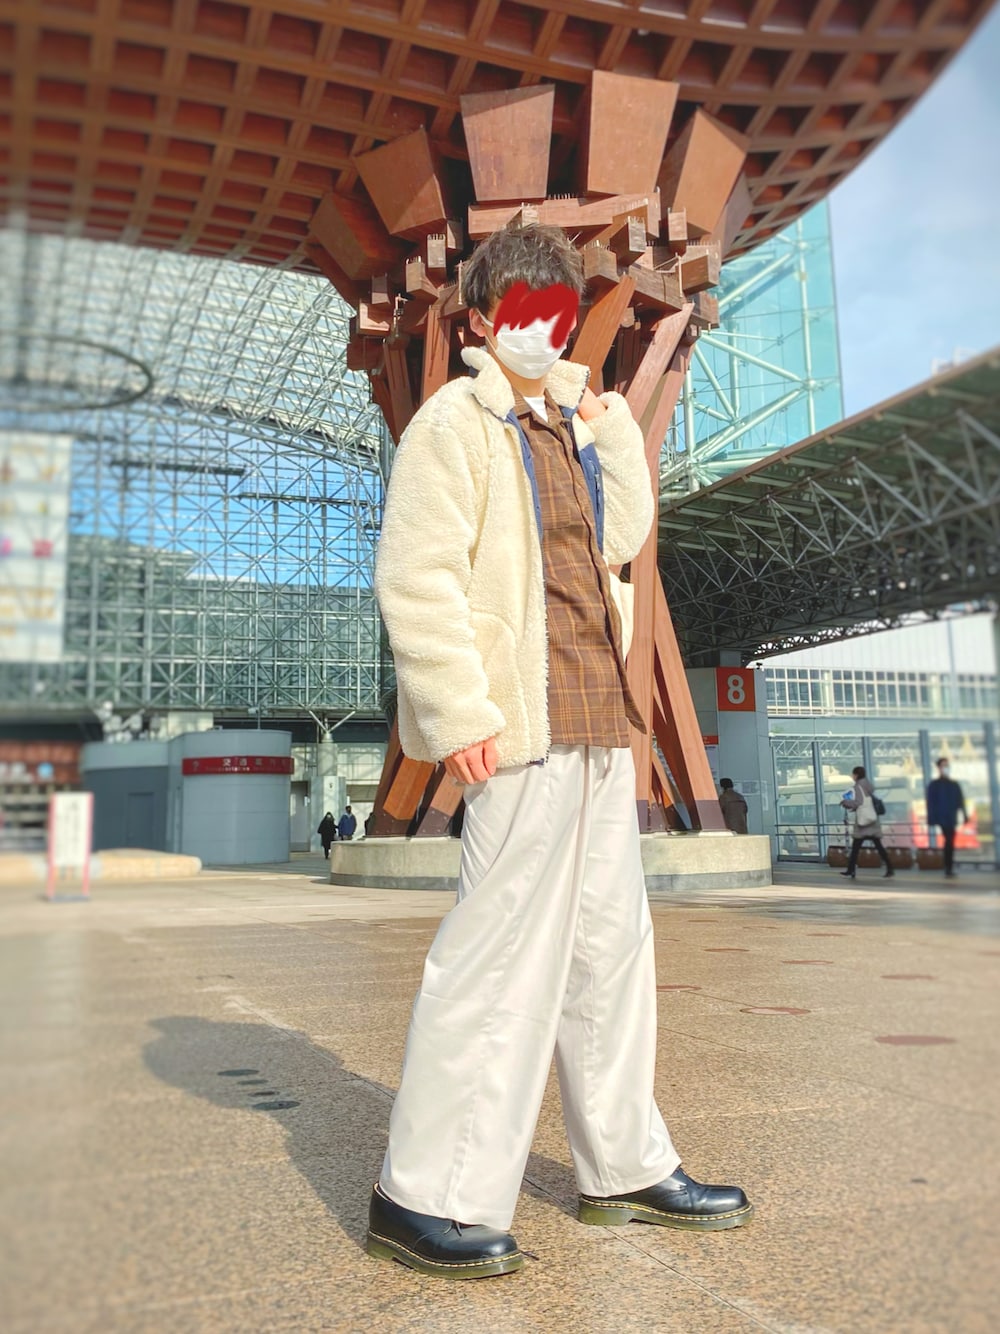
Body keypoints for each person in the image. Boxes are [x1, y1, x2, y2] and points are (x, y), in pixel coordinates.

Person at [370, 222, 752, 1281]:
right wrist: (459, 713)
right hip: (518, 729)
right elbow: (416, 574)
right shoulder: (452, 425)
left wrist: (614, 428)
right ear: (482, 321)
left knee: (607, 954)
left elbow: (619, 540)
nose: (541, 329)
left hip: (596, 724)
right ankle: (425, 1192)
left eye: (557, 310)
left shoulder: (570, 427)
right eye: (523, 311)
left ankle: (624, 1167)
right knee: (497, 960)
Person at [839, 765, 893, 880]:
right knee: (879, 846)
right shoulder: (868, 785)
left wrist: (846, 802)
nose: (852, 776)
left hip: (863, 824)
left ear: (856, 775)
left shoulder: (858, 786)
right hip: (872, 821)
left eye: (853, 774)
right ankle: (890, 868)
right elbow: (865, 802)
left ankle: (851, 870)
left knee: (855, 848)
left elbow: (859, 802)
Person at [926, 757, 967, 878]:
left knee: (950, 841)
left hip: (951, 817)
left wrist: (965, 815)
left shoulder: (954, 784)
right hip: (942, 818)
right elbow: (931, 803)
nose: (946, 768)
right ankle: (948, 867)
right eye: (944, 765)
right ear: (939, 768)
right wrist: (931, 819)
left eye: (947, 765)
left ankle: (948, 867)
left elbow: (960, 801)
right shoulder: (934, 785)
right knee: (949, 840)